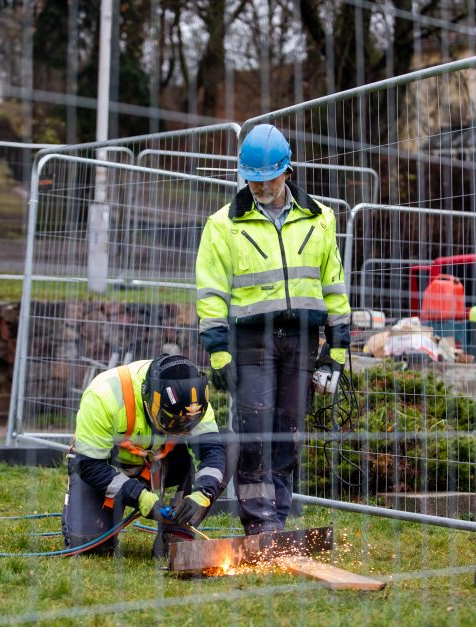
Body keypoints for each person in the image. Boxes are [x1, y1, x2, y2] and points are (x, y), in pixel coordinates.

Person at [195, 123, 351, 535]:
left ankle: (278, 517)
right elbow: (211, 294)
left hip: (301, 341)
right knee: (255, 433)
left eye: (268, 179)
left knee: (288, 431)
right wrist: (218, 353)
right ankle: (259, 524)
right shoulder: (223, 226)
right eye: (253, 180)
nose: (261, 187)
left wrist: (336, 349)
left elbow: (334, 285)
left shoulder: (320, 220)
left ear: (287, 170)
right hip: (250, 343)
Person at [61, 354, 230, 558]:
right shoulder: (105, 395)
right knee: (89, 545)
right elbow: (89, 465)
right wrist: (140, 496)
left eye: (188, 425)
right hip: (109, 469)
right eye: (171, 422)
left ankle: (177, 533)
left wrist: (202, 494)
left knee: (229, 444)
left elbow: (212, 452)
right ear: (149, 399)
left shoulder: (193, 402)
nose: (181, 431)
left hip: (161, 465)